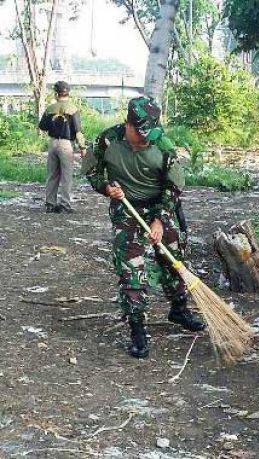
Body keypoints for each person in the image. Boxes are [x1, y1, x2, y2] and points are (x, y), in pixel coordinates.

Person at [83, 96, 204, 359]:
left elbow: (174, 187)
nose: (146, 138)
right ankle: (137, 328)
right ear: (128, 124)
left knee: (173, 259)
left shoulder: (163, 146)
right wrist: (106, 188)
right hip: (126, 209)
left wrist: (160, 219)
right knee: (131, 268)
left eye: (151, 132)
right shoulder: (107, 141)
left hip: (159, 205)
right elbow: (92, 171)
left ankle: (179, 309)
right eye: (141, 133)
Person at [38, 81, 86, 213]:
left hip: (53, 143)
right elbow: (78, 131)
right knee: (66, 175)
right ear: (68, 93)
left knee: (52, 174)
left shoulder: (50, 108)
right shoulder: (73, 108)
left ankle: (50, 204)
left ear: (56, 93)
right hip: (66, 145)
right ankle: (65, 205)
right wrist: (82, 148)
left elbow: (42, 126)